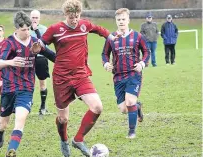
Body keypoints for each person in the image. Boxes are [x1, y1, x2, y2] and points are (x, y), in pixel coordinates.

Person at [33, 0, 117, 156]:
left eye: (77, 16)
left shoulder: (84, 25)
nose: (75, 20)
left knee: (97, 107)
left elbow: (99, 29)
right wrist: (38, 47)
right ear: (65, 15)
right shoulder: (55, 29)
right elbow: (41, 44)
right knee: (63, 119)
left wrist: (111, 37)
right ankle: (64, 140)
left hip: (80, 75)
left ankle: (78, 139)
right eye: (71, 17)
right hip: (61, 78)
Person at [0, 11, 55, 157]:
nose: (27, 32)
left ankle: (11, 150)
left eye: (28, 29)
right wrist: (11, 62)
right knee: (3, 124)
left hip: (26, 89)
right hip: (9, 89)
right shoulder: (9, 43)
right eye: (23, 30)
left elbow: (52, 56)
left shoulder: (34, 42)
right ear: (16, 29)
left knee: (20, 120)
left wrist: (70, 63)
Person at [101, 8, 150, 139]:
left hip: (133, 75)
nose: (121, 22)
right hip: (118, 76)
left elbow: (146, 52)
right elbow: (105, 54)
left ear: (128, 20)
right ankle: (137, 107)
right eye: (119, 20)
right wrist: (106, 64)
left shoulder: (137, 36)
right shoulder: (111, 38)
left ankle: (131, 131)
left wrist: (142, 64)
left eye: (123, 19)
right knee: (123, 109)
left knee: (129, 102)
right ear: (116, 21)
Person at [30, 9, 50, 115]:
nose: (34, 20)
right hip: (29, 59)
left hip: (41, 59)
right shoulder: (26, 29)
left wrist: (36, 29)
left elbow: (43, 44)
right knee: (28, 82)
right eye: (33, 17)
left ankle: (42, 107)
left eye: (36, 17)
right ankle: (28, 103)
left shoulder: (44, 29)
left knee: (42, 83)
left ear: (39, 18)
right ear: (30, 18)